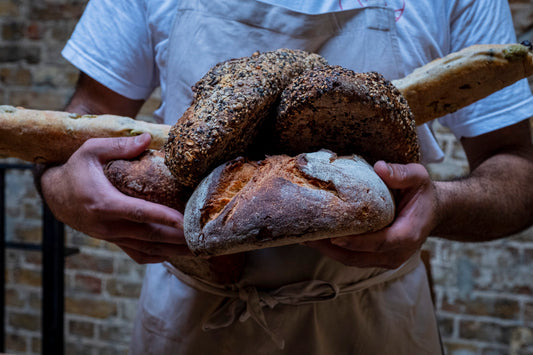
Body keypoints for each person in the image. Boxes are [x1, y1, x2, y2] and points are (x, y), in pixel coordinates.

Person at [38, 0, 533, 353]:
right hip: (193, 321)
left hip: (373, 320)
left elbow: (519, 170)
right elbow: (84, 120)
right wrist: (63, 190)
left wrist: (439, 206)